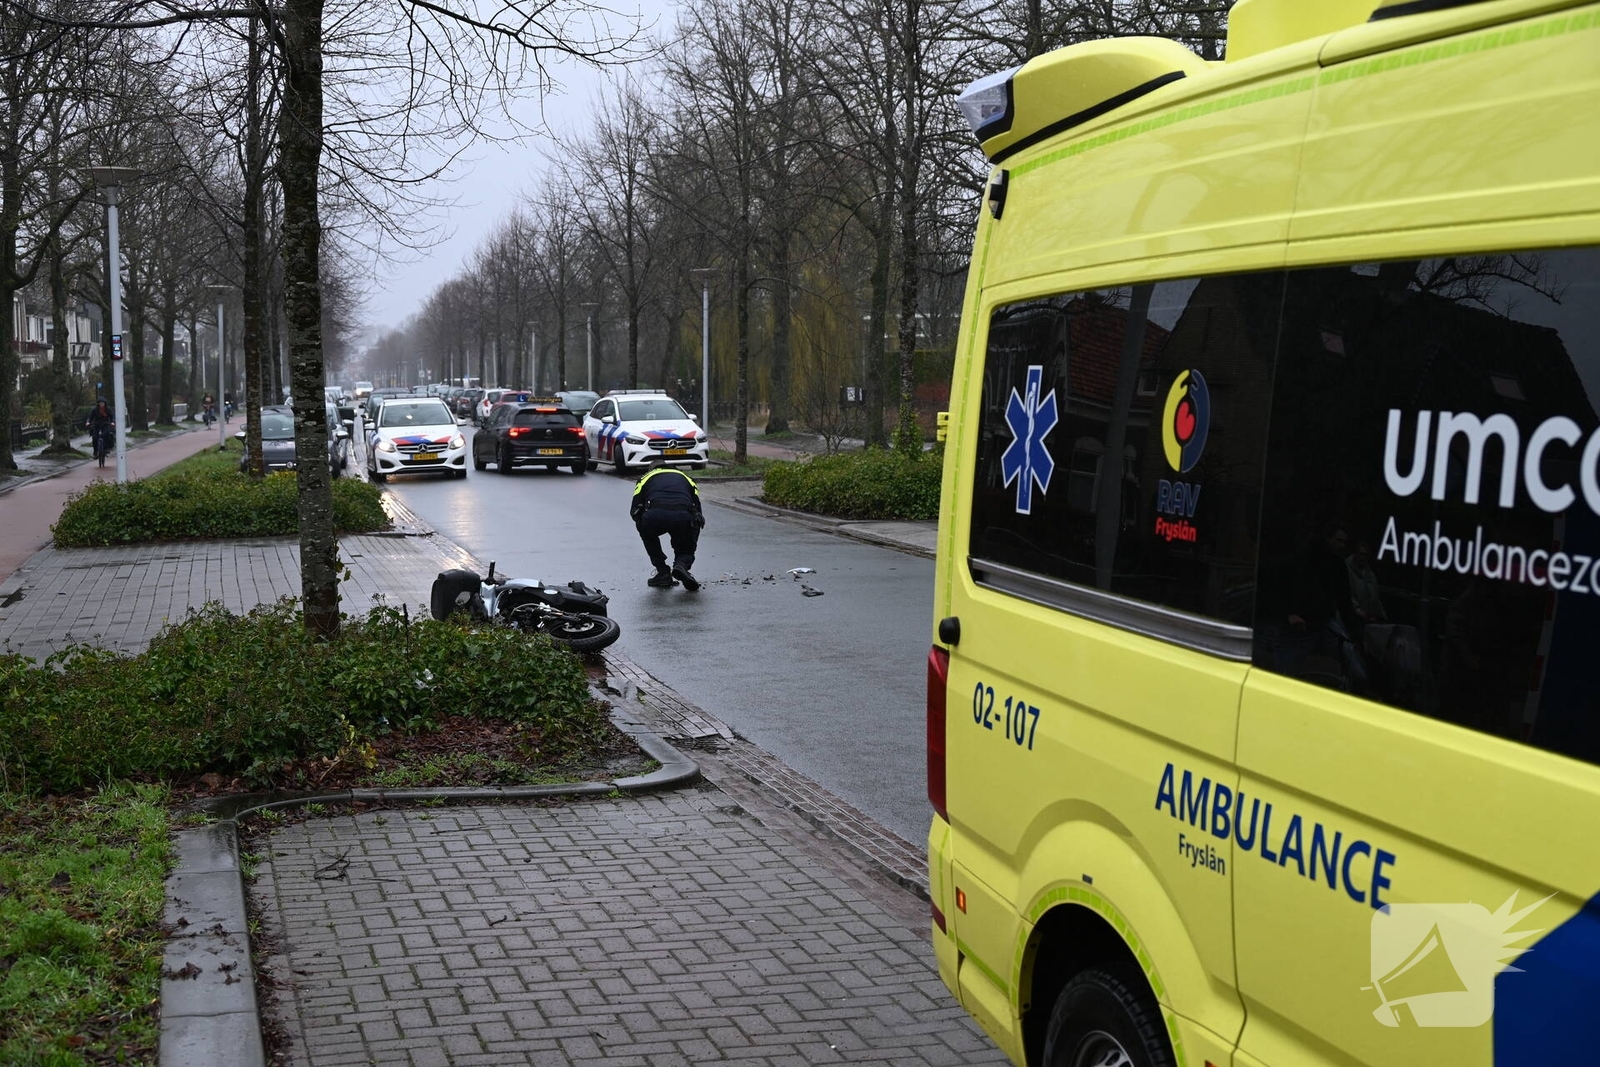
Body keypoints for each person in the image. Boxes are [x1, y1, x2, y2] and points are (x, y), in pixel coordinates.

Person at [630, 466, 705, 590]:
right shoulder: (687, 478)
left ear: (652, 469)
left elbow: (634, 510)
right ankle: (682, 564)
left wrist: (643, 522)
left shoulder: (645, 478)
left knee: (643, 526)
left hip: (654, 516)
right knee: (692, 524)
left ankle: (662, 572)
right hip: (682, 515)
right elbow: (697, 507)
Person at [85, 399, 114, 468]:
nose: (101, 404)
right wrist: (88, 422)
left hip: (105, 424)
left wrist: (112, 422)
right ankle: (95, 452)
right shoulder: (94, 410)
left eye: (102, 403)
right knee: (95, 437)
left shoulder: (108, 409)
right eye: (100, 403)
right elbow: (90, 417)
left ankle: (106, 448)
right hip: (97, 424)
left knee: (107, 434)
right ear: (98, 404)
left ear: (105, 403)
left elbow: (111, 416)